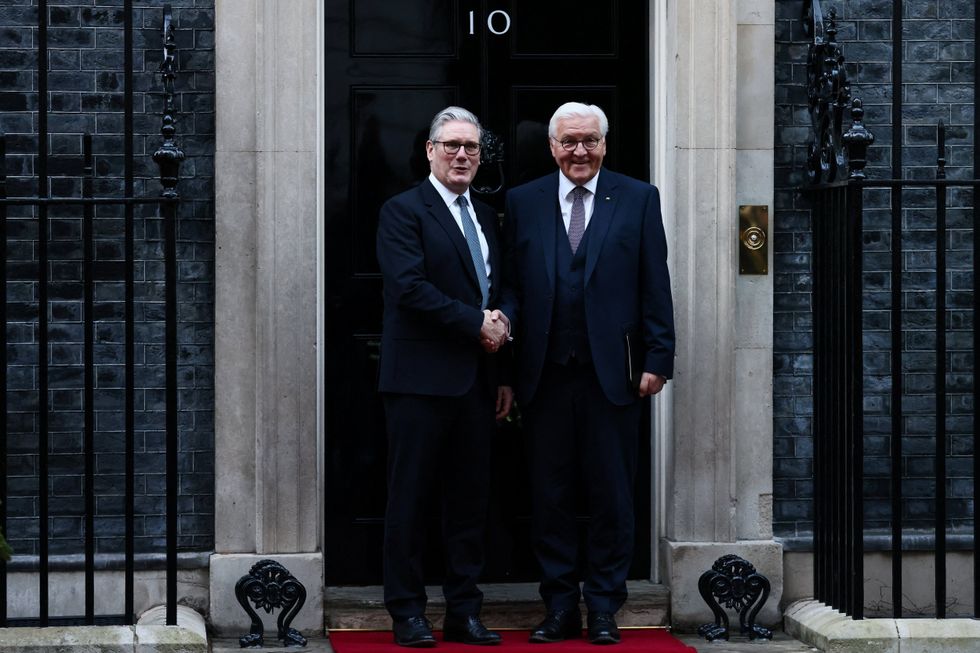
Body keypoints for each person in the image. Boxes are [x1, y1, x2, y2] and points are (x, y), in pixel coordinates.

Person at [499, 102, 675, 645]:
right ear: (552, 146)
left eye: (590, 141)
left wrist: (658, 358)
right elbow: (509, 288)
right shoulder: (522, 203)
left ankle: (602, 606)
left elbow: (655, 282)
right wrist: (505, 370)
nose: (580, 151)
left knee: (611, 496)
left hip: (614, 375)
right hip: (543, 375)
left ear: (605, 144)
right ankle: (558, 607)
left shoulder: (639, 198)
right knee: (549, 496)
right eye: (570, 141)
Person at [376, 106, 512, 648]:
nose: (462, 155)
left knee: (468, 502)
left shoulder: (487, 214)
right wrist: (476, 322)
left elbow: (495, 291)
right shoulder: (402, 211)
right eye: (452, 145)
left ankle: (463, 610)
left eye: (471, 148)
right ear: (429, 150)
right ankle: (407, 612)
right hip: (419, 380)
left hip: (477, 382)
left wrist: (501, 361)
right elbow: (409, 288)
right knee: (408, 500)